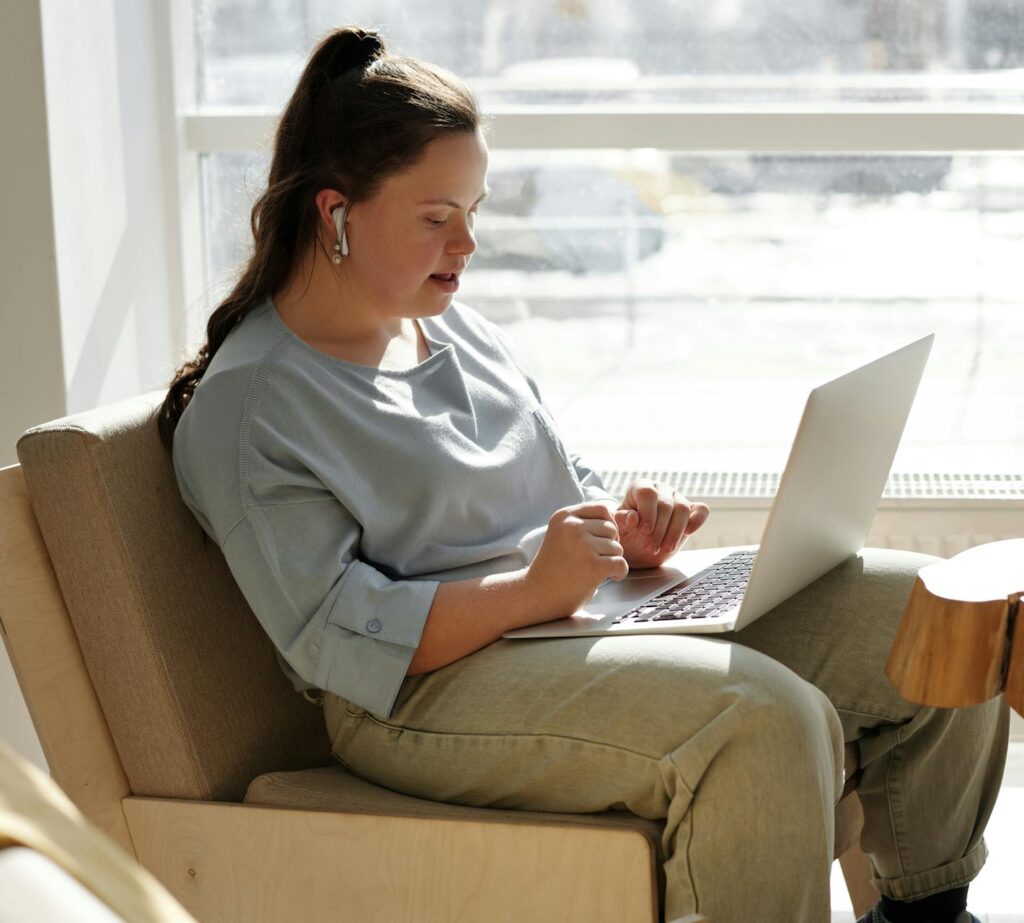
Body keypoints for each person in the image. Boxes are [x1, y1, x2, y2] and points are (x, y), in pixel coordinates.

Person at [157, 26, 1008, 923]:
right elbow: (336, 639)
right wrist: (532, 591)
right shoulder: (252, 408)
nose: (469, 243)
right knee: (762, 720)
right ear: (335, 214)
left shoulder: (453, 328)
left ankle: (926, 914)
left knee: (939, 609)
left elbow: (563, 483)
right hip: (420, 696)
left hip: (570, 622)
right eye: (437, 217)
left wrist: (621, 529)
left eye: (474, 210)